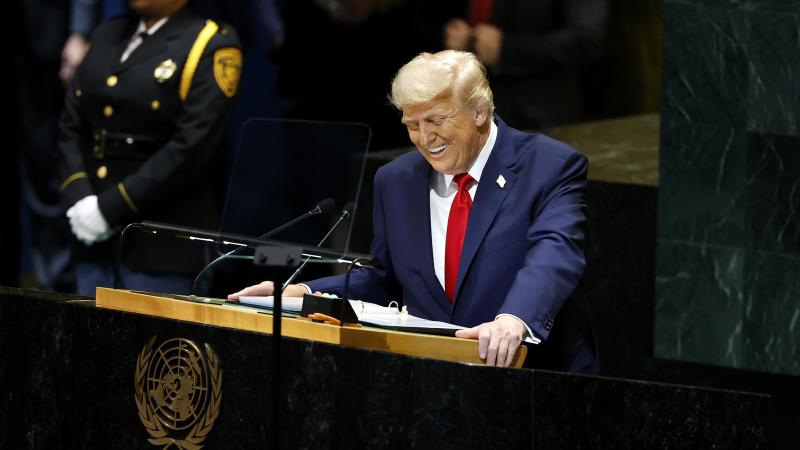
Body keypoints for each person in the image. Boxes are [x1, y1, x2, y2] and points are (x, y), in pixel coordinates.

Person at [229, 50, 596, 371]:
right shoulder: (396, 181)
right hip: (429, 381)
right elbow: (385, 279)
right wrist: (306, 292)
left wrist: (514, 319)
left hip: (531, 380)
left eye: (436, 120)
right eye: (412, 125)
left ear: (480, 111)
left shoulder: (548, 165)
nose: (424, 138)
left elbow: (555, 252)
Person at [58, 0, 242, 296]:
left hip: (160, 245)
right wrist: (80, 199)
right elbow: (71, 124)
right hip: (92, 239)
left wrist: (109, 209)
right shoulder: (108, 33)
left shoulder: (208, 44)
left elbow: (190, 148)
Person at [442, 0, 607, 131]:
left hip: (537, 120)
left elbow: (587, 39)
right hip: (462, 111)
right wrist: (448, 34)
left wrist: (505, 48)